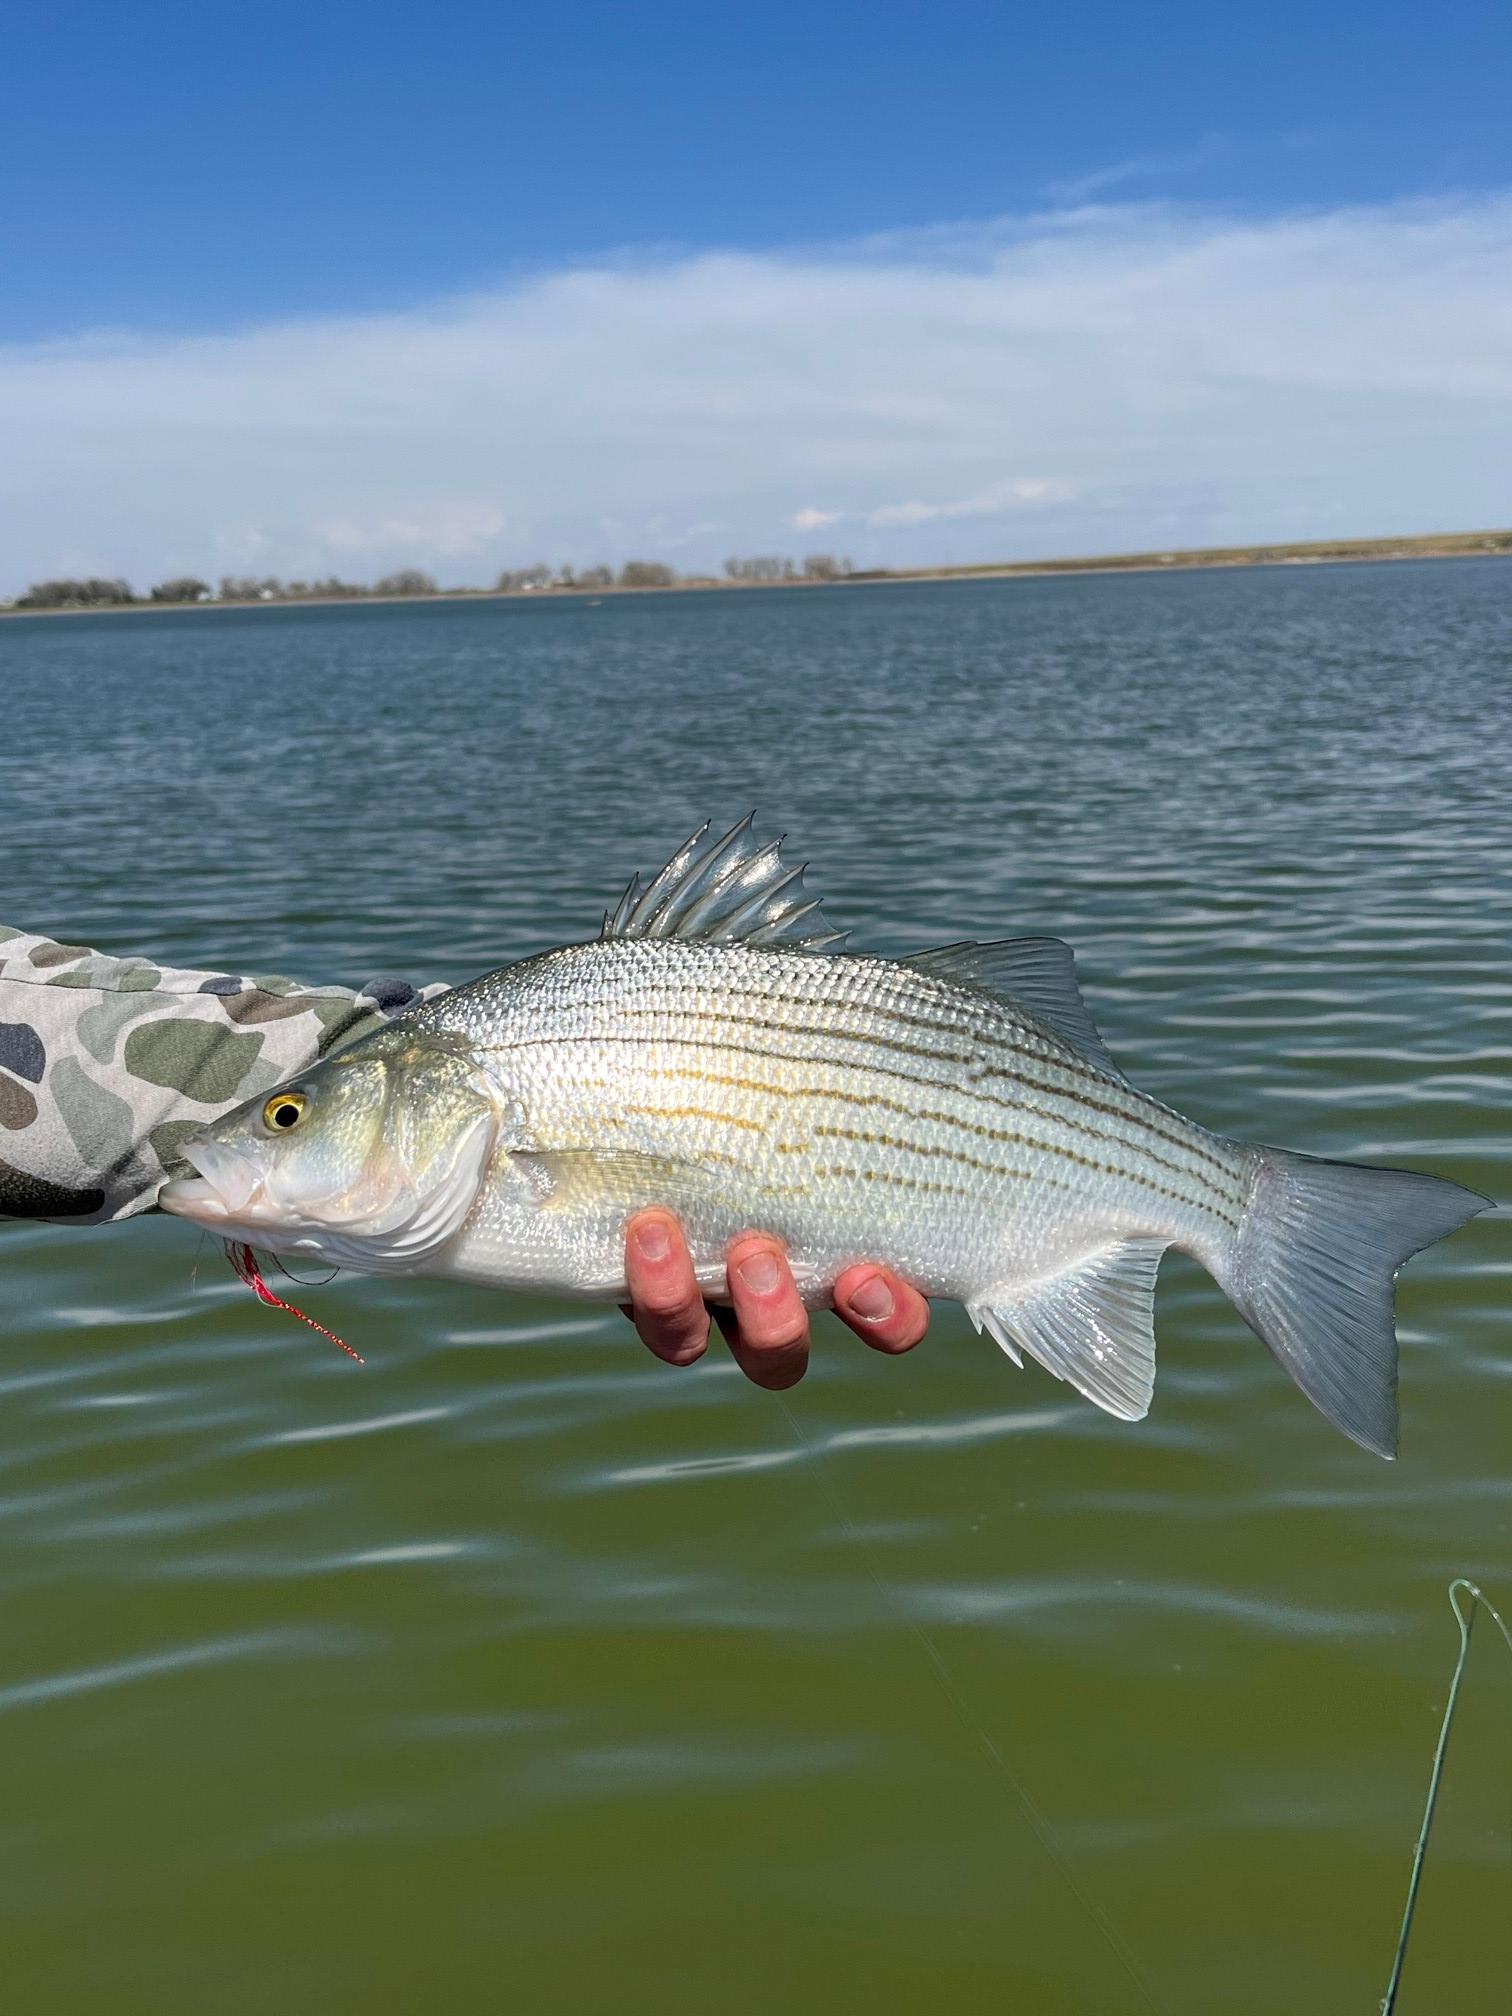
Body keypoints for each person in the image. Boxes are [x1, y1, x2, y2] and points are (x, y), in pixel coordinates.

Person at [0, 924, 931, 1385]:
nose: (249, 1141)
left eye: (284, 1118)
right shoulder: (454, 1077)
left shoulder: (468, 1072)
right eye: (286, 1118)